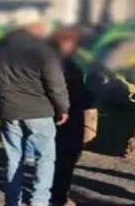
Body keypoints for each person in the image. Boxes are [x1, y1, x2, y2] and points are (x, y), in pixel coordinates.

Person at [0, 8, 69, 206]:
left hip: (8, 110)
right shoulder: (42, 50)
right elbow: (55, 84)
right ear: (32, 26)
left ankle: (12, 200)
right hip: (40, 110)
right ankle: (39, 201)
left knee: (12, 158)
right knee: (45, 159)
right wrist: (63, 108)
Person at [48, 27, 96, 206]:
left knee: (62, 158)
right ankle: (58, 196)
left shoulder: (63, 61)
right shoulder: (61, 63)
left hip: (66, 113)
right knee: (64, 158)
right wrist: (88, 98)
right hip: (66, 115)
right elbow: (70, 90)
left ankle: (57, 193)